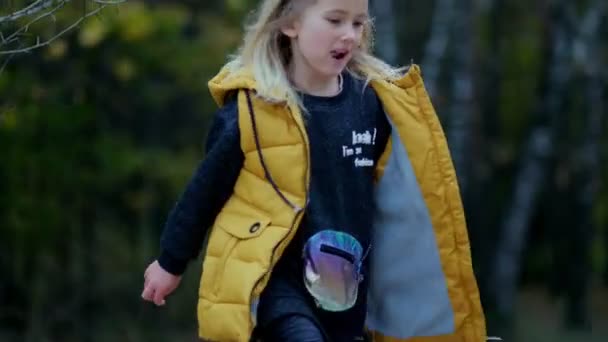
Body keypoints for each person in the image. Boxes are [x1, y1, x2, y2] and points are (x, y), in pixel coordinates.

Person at [141, 0, 487, 341]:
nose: (349, 35)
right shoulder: (251, 111)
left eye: (357, 23)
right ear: (290, 24)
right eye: (335, 20)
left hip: (345, 288)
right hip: (274, 281)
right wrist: (170, 263)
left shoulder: (373, 103)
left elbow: (397, 195)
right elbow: (204, 193)